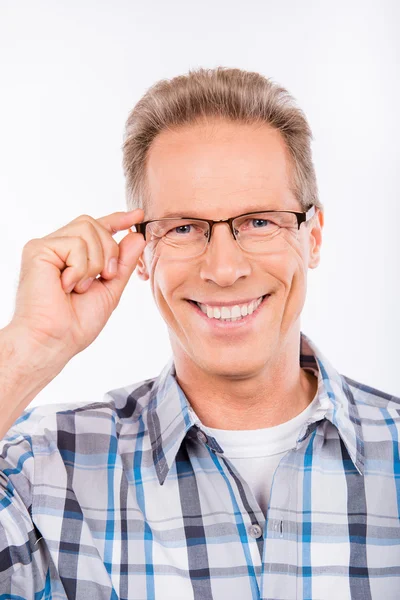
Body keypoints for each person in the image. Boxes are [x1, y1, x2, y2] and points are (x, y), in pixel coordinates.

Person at [0, 67, 398, 600]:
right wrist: (27, 350)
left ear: (314, 238)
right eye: (184, 227)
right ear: (141, 254)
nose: (224, 268)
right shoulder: (44, 472)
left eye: (259, 221)